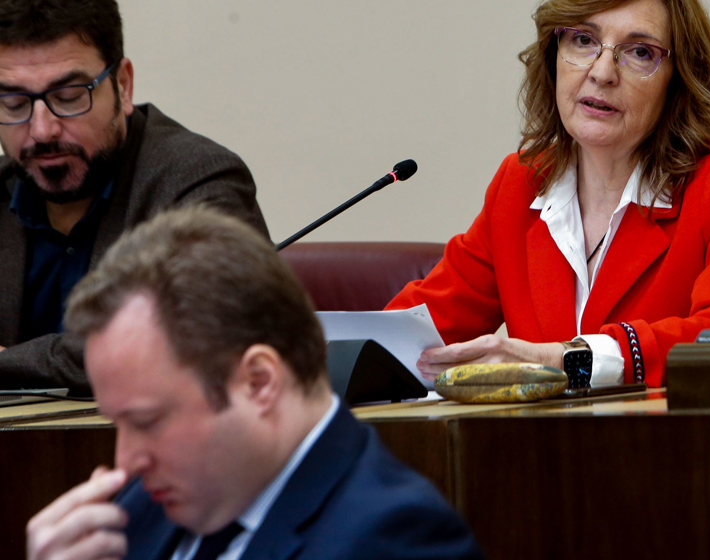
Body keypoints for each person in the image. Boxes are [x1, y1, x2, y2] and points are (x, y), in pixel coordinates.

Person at [386, 0, 710, 388]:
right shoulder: (522, 184)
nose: (602, 72)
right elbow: (417, 331)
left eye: (639, 52)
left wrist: (568, 360)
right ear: (553, 55)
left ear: (679, 82)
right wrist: (315, 353)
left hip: (675, 450)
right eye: (583, 40)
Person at [26, 207, 482, 560]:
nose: (126, 462)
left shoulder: (395, 539)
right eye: (118, 423)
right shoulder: (137, 510)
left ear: (259, 382)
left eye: (148, 421)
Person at [0, 0, 267, 392]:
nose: (42, 130)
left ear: (122, 87)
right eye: (13, 104)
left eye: (69, 97)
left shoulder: (196, 180)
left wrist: (9, 363)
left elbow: (188, 341)